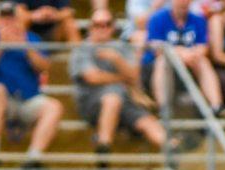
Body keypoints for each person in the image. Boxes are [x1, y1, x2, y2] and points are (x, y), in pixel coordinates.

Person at [0, 3, 63, 170]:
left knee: (54, 107)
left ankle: (34, 158)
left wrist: (26, 47)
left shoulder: (31, 38)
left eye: (12, 17)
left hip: (27, 99)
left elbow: (45, 67)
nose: (8, 21)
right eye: (3, 17)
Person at [71, 9, 168, 159]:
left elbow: (134, 76)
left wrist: (116, 59)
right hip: (91, 103)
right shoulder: (82, 49)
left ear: (113, 27)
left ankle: (173, 149)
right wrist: (122, 78)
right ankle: (103, 146)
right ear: (91, 27)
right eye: (98, 25)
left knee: (147, 121)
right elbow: (92, 77)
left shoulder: (122, 48)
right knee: (113, 96)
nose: (103, 28)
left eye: (107, 24)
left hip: (126, 102)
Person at [145, 0, 223, 113]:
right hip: (161, 63)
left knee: (203, 61)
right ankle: (163, 108)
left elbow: (203, 47)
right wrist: (181, 53)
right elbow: (156, 48)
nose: (183, 2)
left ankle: (216, 106)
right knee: (162, 61)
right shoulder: (158, 18)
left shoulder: (198, 19)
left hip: (191, 61)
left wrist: (191, 55)